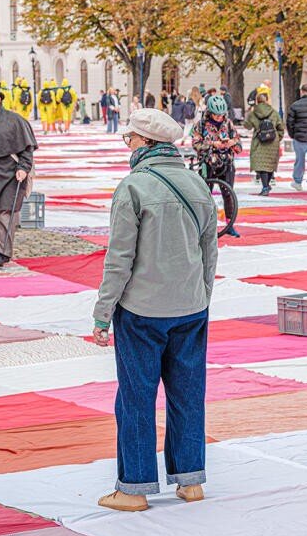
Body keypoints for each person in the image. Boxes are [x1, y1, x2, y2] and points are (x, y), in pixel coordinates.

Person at [90, 108, 217, 511]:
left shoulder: (133, 187)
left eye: (128, 139)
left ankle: (135, 488)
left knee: (136, 397)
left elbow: (119, 258)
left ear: (144, 143)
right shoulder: (197, 183)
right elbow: (209, 251)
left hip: (143, 309)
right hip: (191, 306)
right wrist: (202, 294)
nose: (126, 145)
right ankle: (190, 481)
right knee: (188, 394)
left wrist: (102, 311)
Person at [0, 80, 37, 269]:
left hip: (10, 174)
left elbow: (27, 149)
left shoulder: (15, 120)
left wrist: (23, 168)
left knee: (5, 213)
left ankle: (1, 252)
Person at [190, 93, 242, 238]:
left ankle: (230, 224)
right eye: (216, 115)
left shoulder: (228, 124)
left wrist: (232, 143)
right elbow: (196, 144)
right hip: (208, 163)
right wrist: (213, 144)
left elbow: (239, 144)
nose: (219, 118)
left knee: (228, 194)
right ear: (210, 113)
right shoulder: (200, 125)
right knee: (205, 194)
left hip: (227, 163)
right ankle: (203, 225)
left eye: (221, 115)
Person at [244, 90, 283, 195]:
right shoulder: (274, 112)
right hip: (272, 141)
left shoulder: (253, 113)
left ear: (257, 101)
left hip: (259, 141)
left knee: (260, 165)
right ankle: (267, 185)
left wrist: (248, 114)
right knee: (270, 165)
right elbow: (281, 127)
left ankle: (265, 186)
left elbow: (247, 126)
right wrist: (278, 138)